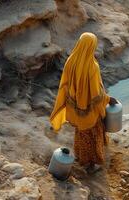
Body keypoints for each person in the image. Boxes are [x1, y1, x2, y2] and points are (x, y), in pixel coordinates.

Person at [50, 32, 117, 174]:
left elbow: (66, 85)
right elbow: (96, 95)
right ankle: (91, 164)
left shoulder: (71, 61)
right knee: (93, 135)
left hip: (75, 108)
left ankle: (81, 157)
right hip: (89, 111)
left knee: (81, 132)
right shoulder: (92, 66)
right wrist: (108, 99)